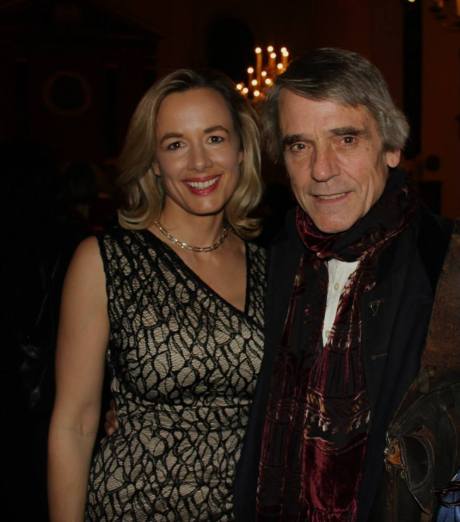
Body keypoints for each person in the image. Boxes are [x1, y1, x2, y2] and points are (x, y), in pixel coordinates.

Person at [234, 48, 459, 521]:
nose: (321, 169)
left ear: (391, 147)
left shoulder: (445, 264)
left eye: (346, 139)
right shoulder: (272, 262)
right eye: (300, 146)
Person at [48, 68, 267, 521]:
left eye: (214, 138)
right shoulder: (105, 262)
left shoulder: (274, 268)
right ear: (152, 162)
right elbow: (75, 424)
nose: (199, 163)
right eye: (175, 145)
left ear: (241, 150)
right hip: (134, 506)